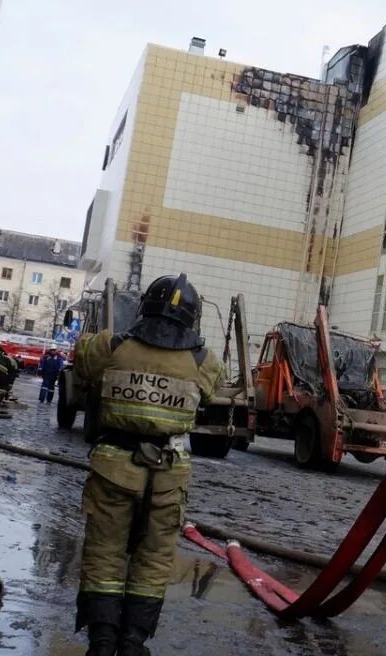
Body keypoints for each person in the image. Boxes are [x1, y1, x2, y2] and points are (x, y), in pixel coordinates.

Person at [74, 274, 223, 656]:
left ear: (145, 307)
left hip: (112, 469)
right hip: (168, 477)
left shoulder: (111, 346)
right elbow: (210, 394)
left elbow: (82, 360)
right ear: (193, 317)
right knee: (155, 559)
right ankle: (133, 643)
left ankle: (102, 641)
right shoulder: (204, 362)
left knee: (104, 553)